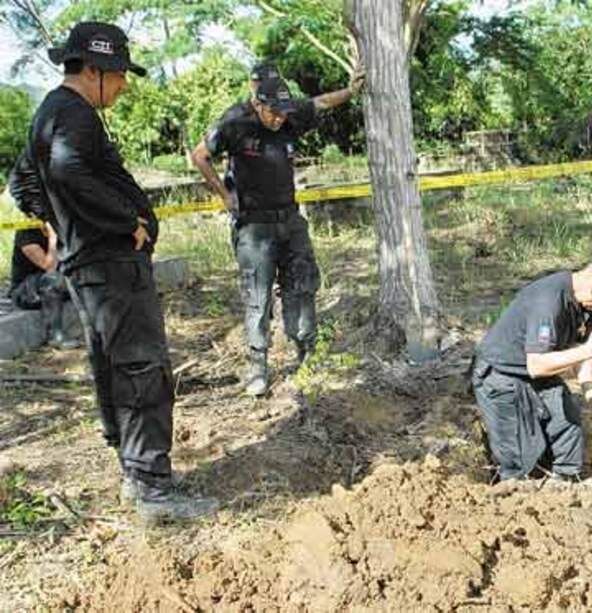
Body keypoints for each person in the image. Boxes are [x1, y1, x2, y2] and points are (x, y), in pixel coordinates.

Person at [18, 21, 216, 522]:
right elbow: (65, 172)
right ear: (93, 69)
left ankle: (136, 474)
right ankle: (154, 491)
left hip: (89, 265)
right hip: (110, 264)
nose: (124, 84)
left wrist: (63, 224)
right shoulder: (76, 114)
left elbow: (24, 184)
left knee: (113, 364)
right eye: (119, 74)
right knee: (142, 366)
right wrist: (125, 222)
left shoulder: (49, 113)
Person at [191, 61, 364, 396]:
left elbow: (321, 102)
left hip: (290, 220)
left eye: (285, 113)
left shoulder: (289, 112)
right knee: (257, 297)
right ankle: (258, 367)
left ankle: (307, 354)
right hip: (254, 227)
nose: (280, 119)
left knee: (302, 286)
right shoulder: (234, 121)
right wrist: (225, 196)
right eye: (274, 113)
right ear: (257, 102)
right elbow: (199, 156)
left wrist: (352, 90)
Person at [470, 255, 592, 483]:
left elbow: (579, 345)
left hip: (536, 372)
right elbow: (537, 365)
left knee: (568, 425)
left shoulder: (585, 303)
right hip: (501, 377)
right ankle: (516, 490)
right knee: (521, 461)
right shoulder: (548, 301)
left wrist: (589, 387)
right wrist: (591, 350)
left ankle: (565, 482)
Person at [6, 153, 76, 349]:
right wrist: (53, 239)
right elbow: (49, 266)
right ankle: (56, 336)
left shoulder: (61, 222)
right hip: (25, 290)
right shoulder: (26, 233)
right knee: (52, 280)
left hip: (54, 282)